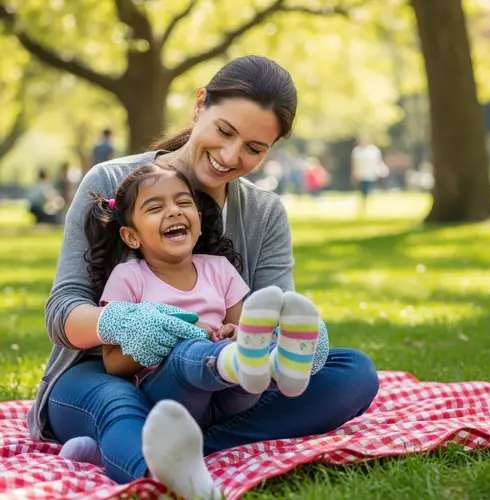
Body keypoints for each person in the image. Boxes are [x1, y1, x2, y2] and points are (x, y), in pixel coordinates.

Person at [27, 56, 379, 499]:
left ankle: (188, 449)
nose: (231, 157)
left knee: (353, 374)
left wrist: (292, 339)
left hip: (223, 383)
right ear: (200, 107)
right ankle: (159, 470)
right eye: (225, 131)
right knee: (120, 406)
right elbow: (62, 310)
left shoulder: (263, 213)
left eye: (254, 148)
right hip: (104, 376)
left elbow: (267, 312)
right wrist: (118, 324)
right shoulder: (112, 181)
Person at [62, 162, 324, 467]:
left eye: (183, 202)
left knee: (257, 363)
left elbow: (242, 330)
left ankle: (277, 364)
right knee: (191, 350)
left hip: (232, 395)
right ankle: (254, 365)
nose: (173, 211)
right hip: (168, 393)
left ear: (198, 222)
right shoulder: (128, 277)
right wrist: (164, 341)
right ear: (132, 236)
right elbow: (112, 363)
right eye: (155, 207)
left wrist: (235, 333)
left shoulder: (220, 270)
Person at [350, 135, 388, 215]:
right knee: (362, 191)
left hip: (371, 174)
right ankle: (363, 205)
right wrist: (353, 175)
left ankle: (368, 205)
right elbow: (354, 164)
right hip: (360, 174)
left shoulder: (374, 151)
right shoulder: (357, 151)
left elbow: (379, 161)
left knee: (368, 190)